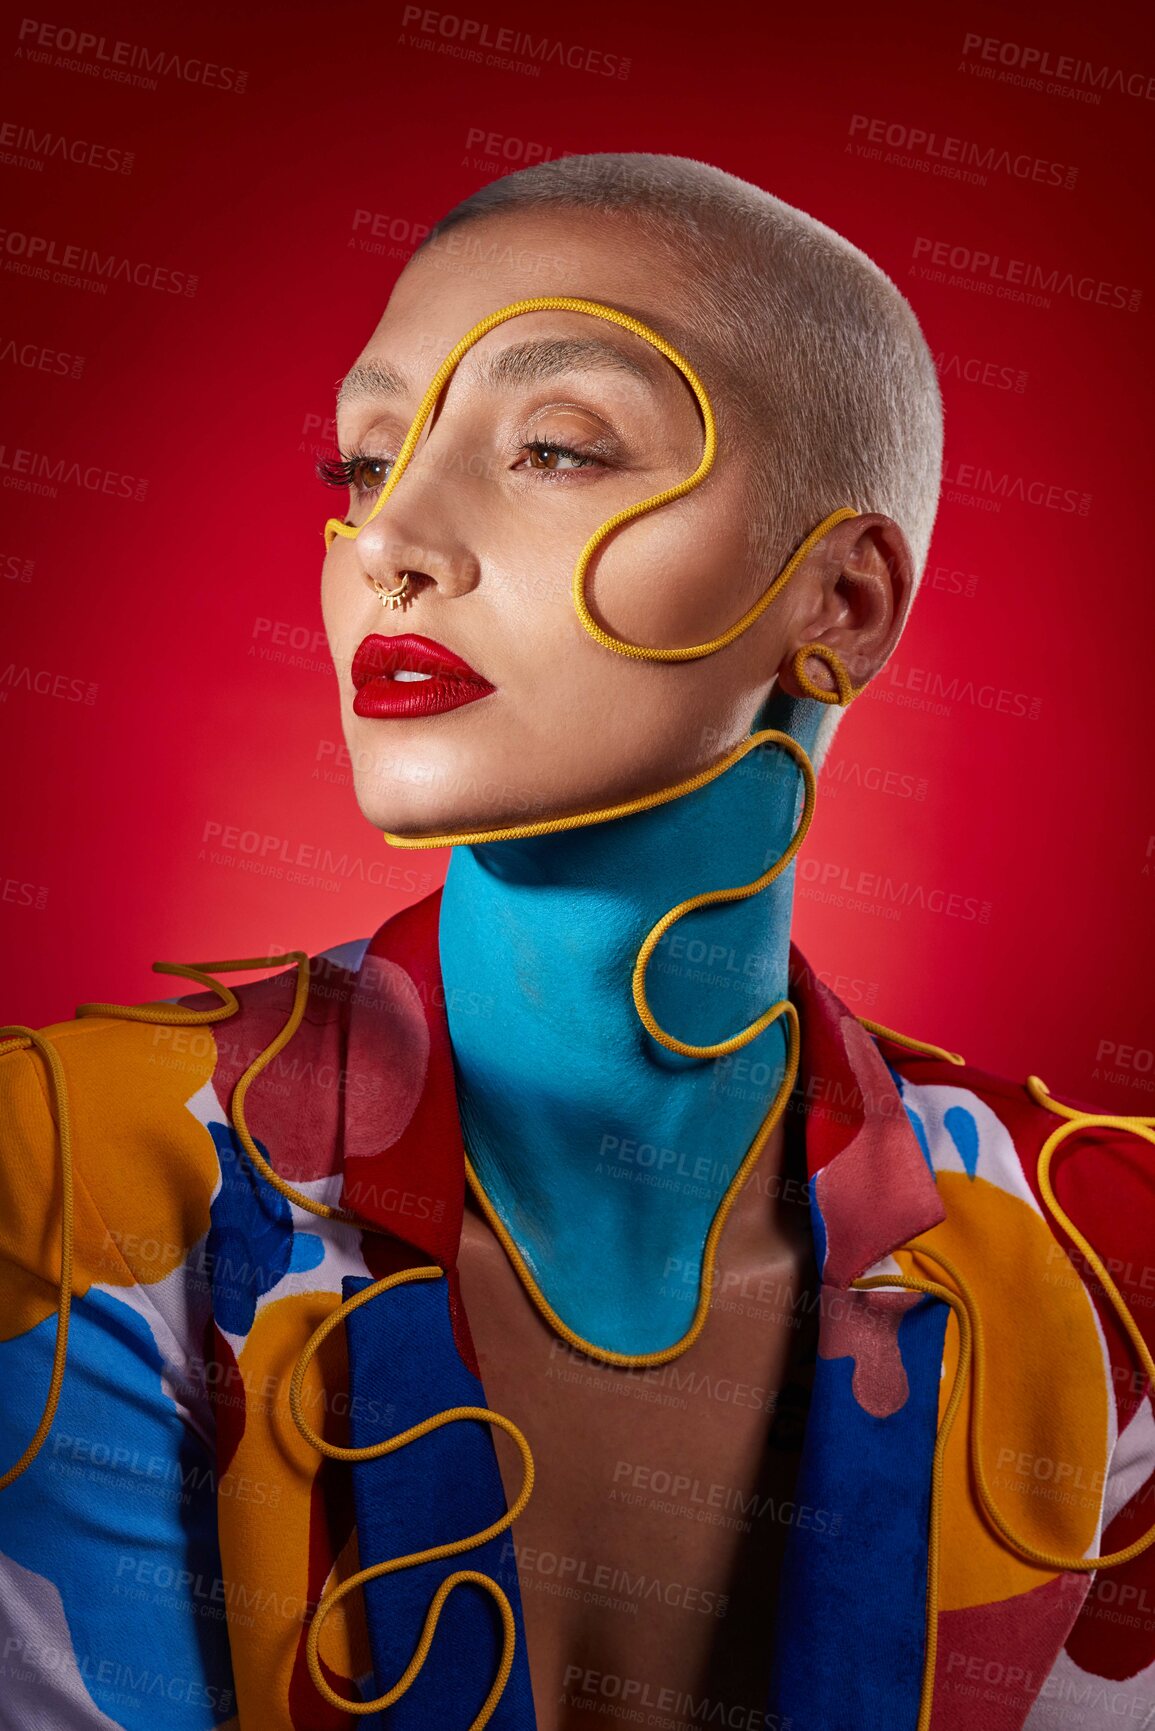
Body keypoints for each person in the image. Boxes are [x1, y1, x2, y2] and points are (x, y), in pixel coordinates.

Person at [1, 152, 1153, 1731]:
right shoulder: (75, 1183)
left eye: (553, 446)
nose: (391, 536)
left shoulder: (1106, 1269)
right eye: (360, 459)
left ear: (845, 598)